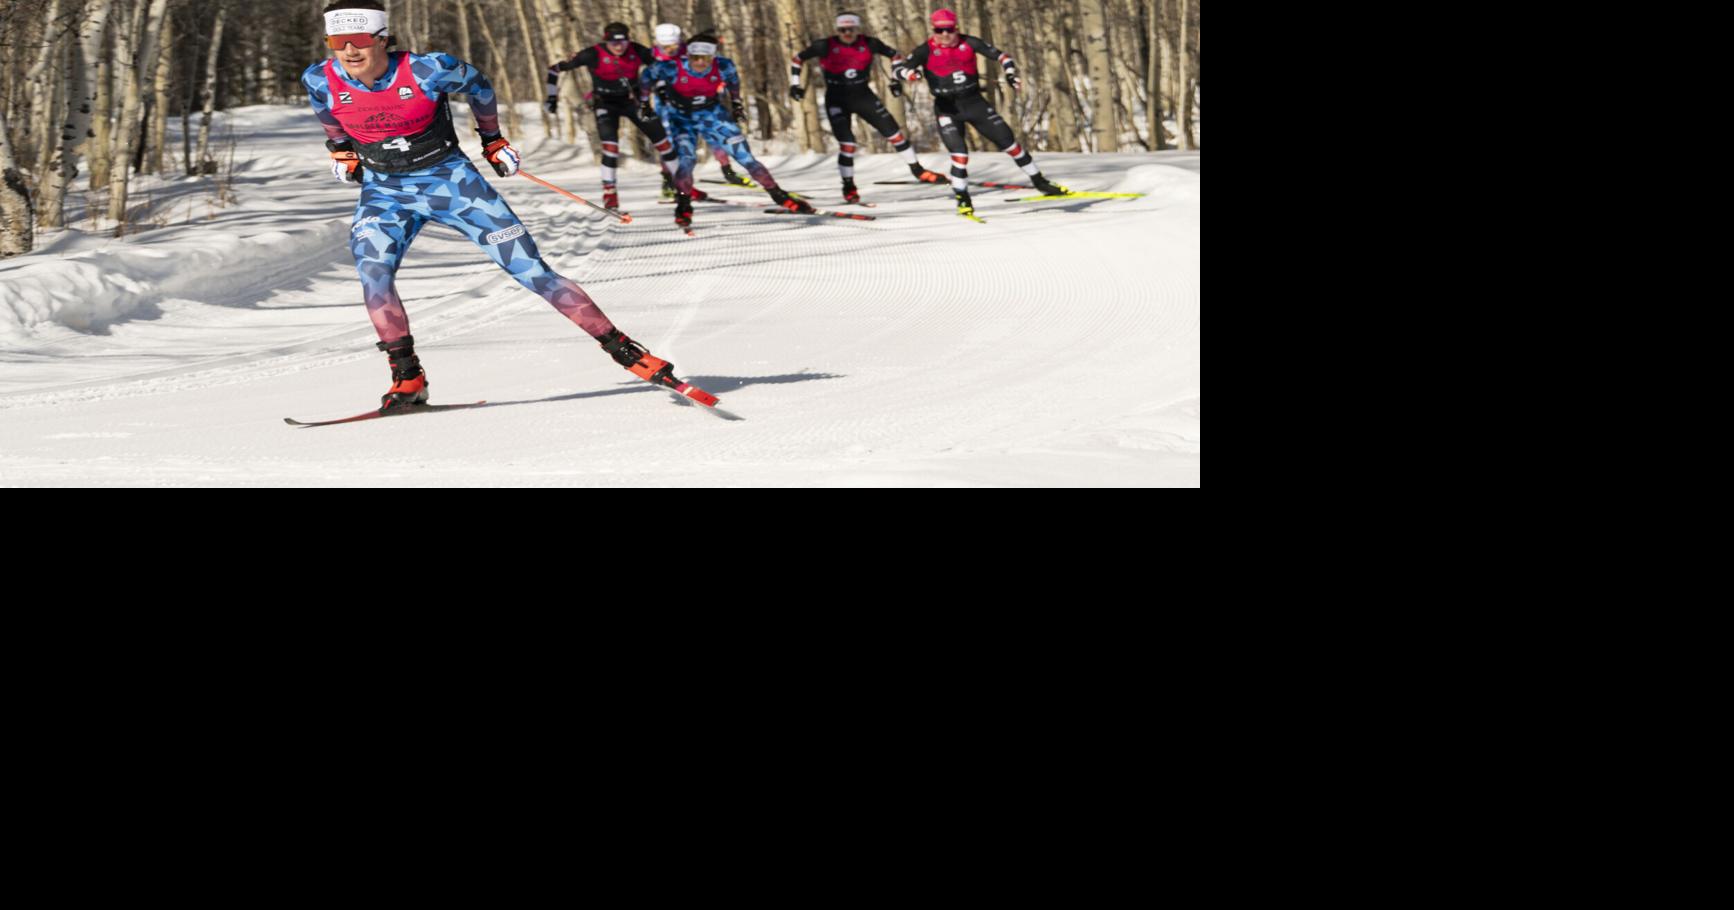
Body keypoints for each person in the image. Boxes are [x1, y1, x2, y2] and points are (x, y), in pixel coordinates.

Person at [303, 2, 698, 410]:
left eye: (361, 40)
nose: (350, 51)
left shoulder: (429, 69)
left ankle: (626, 351)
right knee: (373, 273)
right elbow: (326, 112)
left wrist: (492, 139)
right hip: (385, 191)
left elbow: (481, 86)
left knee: (531, 271)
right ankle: (408, 376)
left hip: (451, 184)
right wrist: (341, 149)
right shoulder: (320, 77)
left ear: (382, 38)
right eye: (338, 42)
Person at [893, 8, 1070, 219]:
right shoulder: (926, 50)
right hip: (947, 109)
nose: (945, 35)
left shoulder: (969, 42)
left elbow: (1003, 56)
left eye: (949, 29)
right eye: (939, 30)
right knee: (960, 155)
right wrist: (909, 74)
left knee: (1011, 144)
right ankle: (963, 199)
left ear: (956, 28)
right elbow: (898, 69)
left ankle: (1040, 182)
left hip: (975, 103)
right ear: (933, 30)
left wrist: (1011, 74)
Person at [642, 34, 814, 228]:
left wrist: (737, 104)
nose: (699, 62)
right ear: (687, 55)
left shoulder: (724, 65)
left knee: (746, 158)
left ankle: (780, 196)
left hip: (713, 114)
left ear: (713, 57)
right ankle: (683, 206)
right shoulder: (672, 67)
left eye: (704, 58)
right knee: (687, 160)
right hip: (682, 118)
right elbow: (647, 76)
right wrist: (644, 103)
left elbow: (734, 83)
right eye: (694, 57)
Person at [790, 12, 946, 202]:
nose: (847, 33)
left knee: (895, 134)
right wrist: (795, 84)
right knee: (847, 144)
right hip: (837, 97)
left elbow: (895, 56)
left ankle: (918, 171)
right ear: (837, 30)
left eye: (851, 29)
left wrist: (895, 79)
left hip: (863, 95)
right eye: (842, 30)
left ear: (857, 29)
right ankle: (848, 185)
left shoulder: (869, 43)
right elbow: (797, 59)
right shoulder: (825, 45)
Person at [544, 22, 682, 212]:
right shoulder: (592, 54)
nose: (619, 46)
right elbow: (554, 69)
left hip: (633, 102)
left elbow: (659, 68)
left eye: (623, 41)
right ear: (605, 40)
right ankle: (610, 194)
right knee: (611, 148)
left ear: (628, 40)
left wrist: (664, 90)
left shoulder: (637, 50)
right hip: (606, 104)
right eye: (613, 42)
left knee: (664, 143)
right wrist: (551, 97)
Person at [652, 23, 751, 191]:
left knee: (714, 135)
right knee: (669, 140)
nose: (670, 49)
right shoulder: (651, 55)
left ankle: (728, 171)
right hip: (668, 103)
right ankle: (667, 180)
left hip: (698, 98)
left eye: (673, 45)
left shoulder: (687, 50)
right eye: (665, 46)